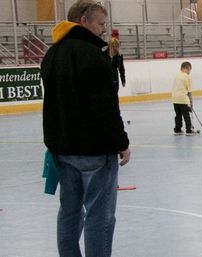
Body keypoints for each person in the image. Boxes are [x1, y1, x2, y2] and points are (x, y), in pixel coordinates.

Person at [41, 2, 130, 256]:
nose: (104, 30)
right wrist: (121, 142)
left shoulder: (53, 53)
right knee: (99, 217)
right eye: (101, 24)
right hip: (94, 152)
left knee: (69, 212)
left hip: (63, 150)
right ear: (84, 21)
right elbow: (105, 107)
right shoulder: (91, 55)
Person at [171, 61, 194, 135]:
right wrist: (191, 102)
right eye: (190, 70)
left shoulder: (176, 76)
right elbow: (189, 92)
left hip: (174, 99)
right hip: (183, 99)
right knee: (186, 115)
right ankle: (189, 130)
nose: (189, 72)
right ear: (188, 68)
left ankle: (177, 129)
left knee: (178, 115)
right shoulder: (188, 77)